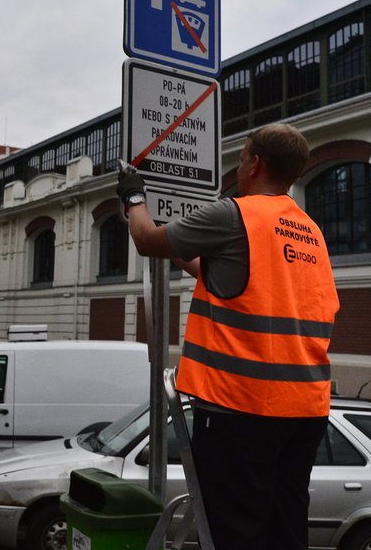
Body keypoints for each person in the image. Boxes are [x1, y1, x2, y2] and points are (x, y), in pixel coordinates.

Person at [117, 123, 338, 550]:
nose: (238, 168)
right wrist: (185, 245)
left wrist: (133, 198)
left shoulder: (235, 213)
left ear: (255, 164)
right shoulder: (311, 232)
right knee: (285, 526)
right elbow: (228, 277)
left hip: (242, 409)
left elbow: (146, 240)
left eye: (240, 159)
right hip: (306, 411)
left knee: (234, 532)